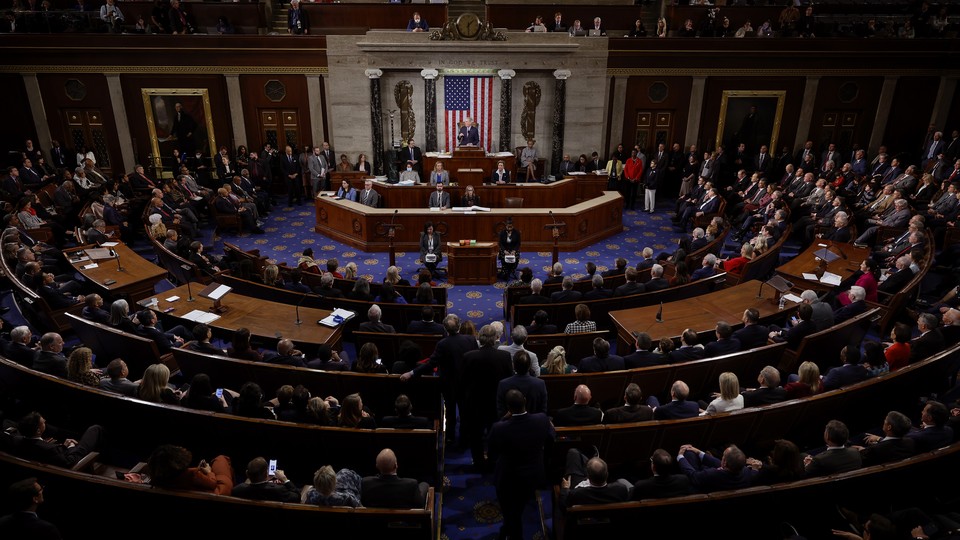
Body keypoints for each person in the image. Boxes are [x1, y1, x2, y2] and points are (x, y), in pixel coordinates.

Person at [488, 389, 555, 540]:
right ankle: (508, 528)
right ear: (525, 400)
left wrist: (503, 420)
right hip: (533, 475)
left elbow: (492, 455)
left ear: (507, 408)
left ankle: (513, 533)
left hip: (507, 478)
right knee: (519, 507)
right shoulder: (542, 419)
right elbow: (551, 438)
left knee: (511, 512)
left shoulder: (499, 427)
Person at [14, 411, 104, 468]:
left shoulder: (17, 440)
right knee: (95, 429)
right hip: (74, 459)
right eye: (43, 422)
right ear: (38, 431)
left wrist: (63, 446)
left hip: (58, 455)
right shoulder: (49, 449)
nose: (45, 420)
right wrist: (71, 447)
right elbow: (69, 462)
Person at [361, 448, 429, 508]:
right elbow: (420, 504)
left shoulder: (365, 483)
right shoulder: (411, 485)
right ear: (396, 465)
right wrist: (425, 484)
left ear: (377, 466)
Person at [231, 457, 301, 502]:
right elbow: (297, 497)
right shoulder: (279, 490)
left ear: (247, 474)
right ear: (266, 474)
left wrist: (250, 478)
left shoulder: (237, 490)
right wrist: (285, 479)